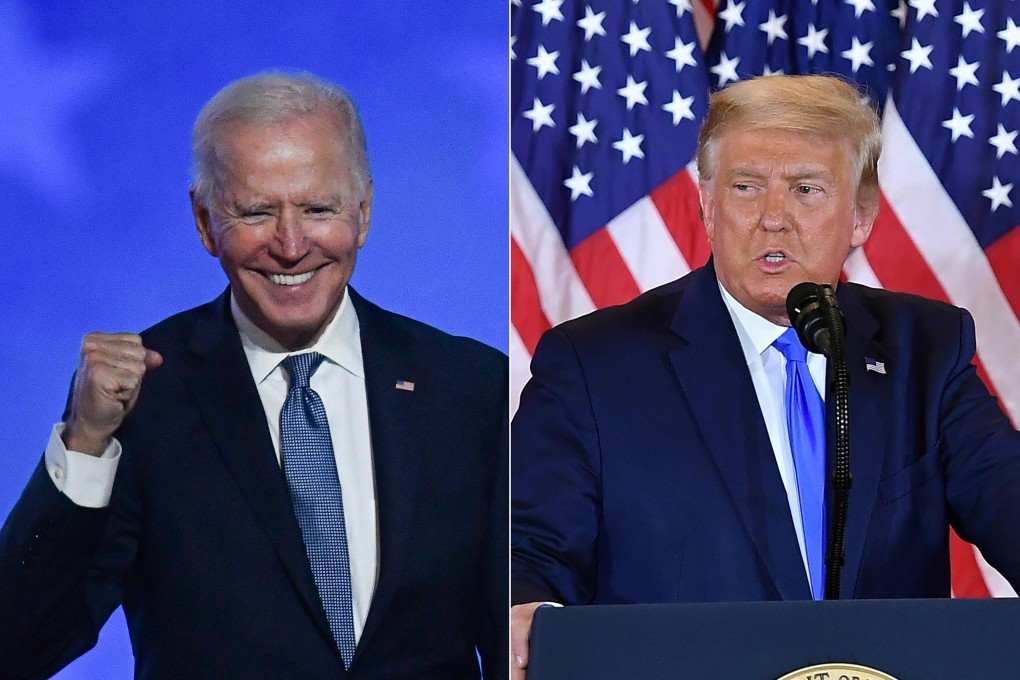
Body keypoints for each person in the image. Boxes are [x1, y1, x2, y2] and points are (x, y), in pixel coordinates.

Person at [0, 72, 507, 680]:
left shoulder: (470, 388)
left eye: (319, 208)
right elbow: (19, 646)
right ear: (204, 221)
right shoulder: (142, 400)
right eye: (257, 211)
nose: (291, 246)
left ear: (364, 212)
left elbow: (511, 640)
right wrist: (85, 443)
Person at [510, 74, 1020, 677]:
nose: (773, 218)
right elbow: (531, 549)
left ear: (860, 218)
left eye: (806, 189)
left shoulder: (923, 350)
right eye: (747, 187)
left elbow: (1006, 499)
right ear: (707, 203)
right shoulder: (593, 364)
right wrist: (527, 612)